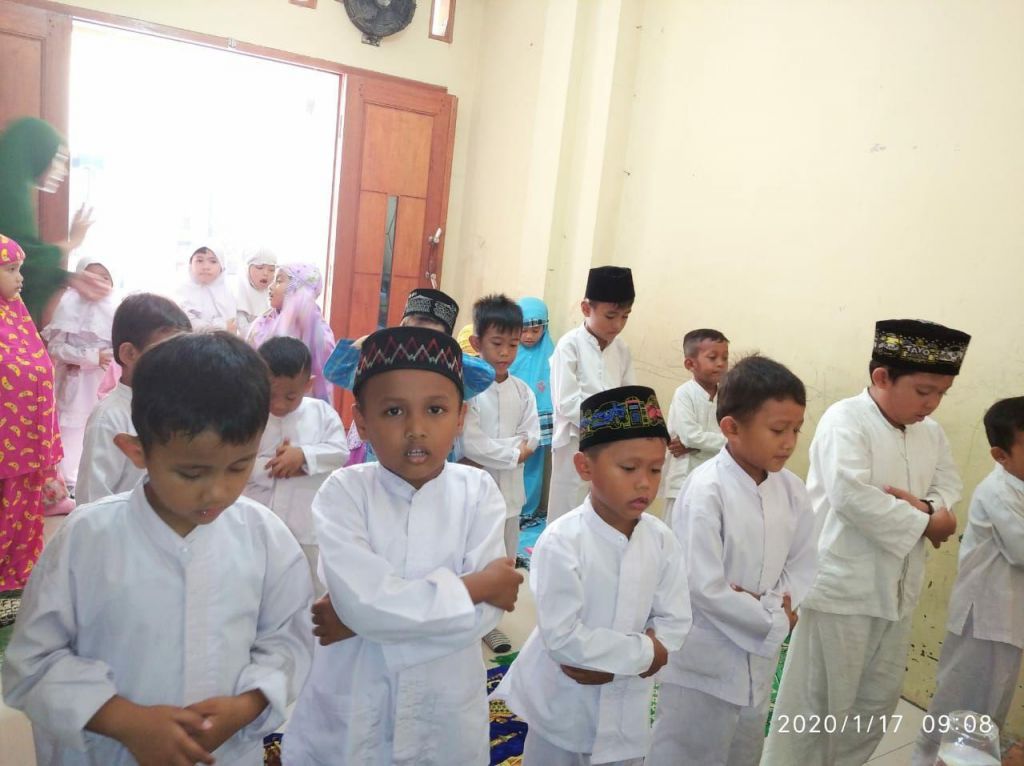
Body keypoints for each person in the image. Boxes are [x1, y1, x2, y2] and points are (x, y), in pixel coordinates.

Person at [2, 332, 314, 766]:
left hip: (225, 752)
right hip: (106, 753)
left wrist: (246, 706)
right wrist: (126, 722)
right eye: (191, 473)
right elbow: (32, 661)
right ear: (137, 451)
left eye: (239, 466)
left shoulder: (266, 538)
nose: (217, 491)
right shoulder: (87, 539)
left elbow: (289, 640)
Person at [281, 326, 523, 766]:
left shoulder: (479, 492)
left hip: (445, 706)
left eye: (435, 409)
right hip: (355, 701)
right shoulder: (343, 493)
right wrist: (477, 586)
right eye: (393, 411)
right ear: (362, 421)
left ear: (461, 417)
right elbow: (366, 604)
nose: (416, 429)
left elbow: (483, 618)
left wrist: (360, 625)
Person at [763, 318, 969, 766]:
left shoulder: (930, 432)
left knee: (873, 706)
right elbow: (851, 496)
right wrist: (930, 522)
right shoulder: (846, 420)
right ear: (882, 377)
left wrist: (928, 508)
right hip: (843, 590)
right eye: (924, 391)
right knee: (816, 707)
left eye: (942, 393)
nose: (932, 404)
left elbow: (949, 484)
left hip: (898, 592)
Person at [492, 385, 691, 765]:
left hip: (628, 708)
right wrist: (647, 653)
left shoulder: (661, 539)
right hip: (563, 706)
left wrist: (630, 660)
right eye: (629, 468)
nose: (645, 483)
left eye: (655, 469)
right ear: (585, 467)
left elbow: (676, 619)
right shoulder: (562, 541)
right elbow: (563, 639)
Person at [648, 355, 818, 766]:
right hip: (705, 658)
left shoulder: (792, 490)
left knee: (743, 748)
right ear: (731, 428)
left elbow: (802, 561)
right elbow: (704, 586)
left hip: (759, 658)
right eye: (777, 430)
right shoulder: (706, 489)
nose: (789, 442)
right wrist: (772, 617)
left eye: (796, 429)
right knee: (687, 751)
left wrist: (773, 606)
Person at [911, 397, 1024, 765]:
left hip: (1009, 620)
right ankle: (927, 761)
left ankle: (971, 759)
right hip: (985, 619)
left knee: (989, 709)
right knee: (958, 705)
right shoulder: (998, 492)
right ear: (1000, 455)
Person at [462, 294, 540, 652]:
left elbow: (532, 437)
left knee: (506, 559)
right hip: (476, 494)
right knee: (476, 559)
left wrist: (504, 450)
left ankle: (491, 623)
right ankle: (471, 620)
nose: (506, 352)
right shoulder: (470, 391)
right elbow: (471, 443)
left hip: (511, 495)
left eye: (513, 344)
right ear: (477, 342)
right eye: (497, 343)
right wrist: (512, 452)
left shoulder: (522, 391)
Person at [245, 337, 348, 590]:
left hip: (306, 524)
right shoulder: (248, 415)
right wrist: (273, 467)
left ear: (308, 385)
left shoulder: (321, 414)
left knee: (310, 585)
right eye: (271, 395)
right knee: (258, 581)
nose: (279, 404)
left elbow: (339, 452)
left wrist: (303, 456)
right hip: (257, 519)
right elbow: (234, 460)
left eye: (291, 396)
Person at [75, 294, 191, 504]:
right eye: (167, 352)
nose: (179, 363)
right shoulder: (109, 418)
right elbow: (91, 499)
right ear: (129, 354)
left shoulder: (179, 407)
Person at [0, 117, 109, 326]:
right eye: (59, 158)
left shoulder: (16, 190)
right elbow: (22, 260)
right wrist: (73, 241)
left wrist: (67, 278)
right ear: (37, 152)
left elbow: (24, 266)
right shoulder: (9, 197)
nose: (63, 170)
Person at [548, 266, 636, 521]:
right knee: (568, 509)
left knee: (603, 508)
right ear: (586, 309)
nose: (618, 325)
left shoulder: (622, 350)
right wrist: (608, 423)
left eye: (625, 316)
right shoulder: (569, 345)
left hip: (612, 444)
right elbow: (567, 402)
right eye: (610, 316)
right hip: (574, 442)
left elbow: (630, 397)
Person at [0, 235, 62, 591]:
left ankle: (16, 574)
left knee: (23, 508)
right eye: (10, 269)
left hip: (24, 441)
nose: (20, 278)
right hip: (6, 440)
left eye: (19, 268)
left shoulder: (17, 314)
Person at [41, 258, 116, 491]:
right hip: (73, 381)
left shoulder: (116, 309)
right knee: (69, 431)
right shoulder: (67, 306)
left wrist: (104, 358)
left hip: (102, 382)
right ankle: (64, 483)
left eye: (104, 278)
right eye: (90, 276)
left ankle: (87, 481)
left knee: (97, 428)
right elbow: (55, 347)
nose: (97, 283)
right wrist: (91, 357)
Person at [662, 328, 729, 522]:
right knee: (676, 533)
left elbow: (735, 435)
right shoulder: (684, 393)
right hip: (683, 479)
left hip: (717, 479)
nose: (721, 364)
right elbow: (690, 436)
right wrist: (729, 443)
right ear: (690, 364)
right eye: (712, 358)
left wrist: (697, 445)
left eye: (725, 358)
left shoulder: (727, 396)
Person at [247, 263, 335, 402]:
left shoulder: (318, 330)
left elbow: (323, 370)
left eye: (279, 281)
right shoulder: (263, 322)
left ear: (299, 289)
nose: (270, 286)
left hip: (303, 407)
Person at [509, 296, 555, 521]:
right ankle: (507, 508)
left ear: (544, 328)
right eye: (523, 330)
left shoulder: (552, 355)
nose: (528, 336)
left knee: (534, 465)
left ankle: (527, 510)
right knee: (509, 462)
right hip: (511, 417)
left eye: (535, 330)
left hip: (539, 418)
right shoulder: (509, 351)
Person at [179, 245, 237, 333]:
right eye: (199, 260)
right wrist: (222, 326)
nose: (205, 267)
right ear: (190, 264)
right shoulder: (181, 293)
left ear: (222, 266)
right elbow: (186, 324)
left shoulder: (230, 294)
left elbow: (233, 325)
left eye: (213, 261)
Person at [234, 248, 276, 339]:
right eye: (259, 267)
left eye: (271, 270)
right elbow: (245, 332)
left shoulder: (276, 294)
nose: (266, 273)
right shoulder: (237, 296)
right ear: (247, 268)